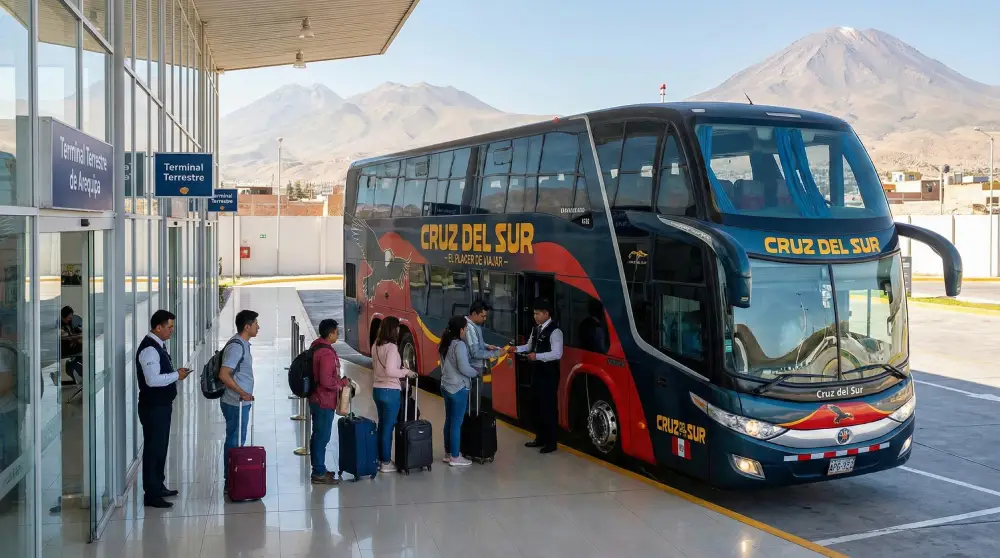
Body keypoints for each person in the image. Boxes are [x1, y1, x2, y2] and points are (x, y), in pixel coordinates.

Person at [136, 310, 191, 508]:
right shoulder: (150, 349)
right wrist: (177, 375)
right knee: (154, 449)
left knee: (160, 448)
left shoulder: (159, 345)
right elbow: (152, 380)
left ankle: (158, 486)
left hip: (161, 405)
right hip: (154, 407)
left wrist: (176, 374)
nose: (172, 330)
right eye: (169, 327)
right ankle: (151, 494)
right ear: (158, 327)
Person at [507, 298, 563, 454]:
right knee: (537, 406)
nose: (535, 316)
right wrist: (516, 349)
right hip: (536, 372)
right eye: (534, 313)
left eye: (538, 313)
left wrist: (537, 356)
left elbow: (557, 353)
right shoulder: (536, 329)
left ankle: (551, 442)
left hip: (549, 374)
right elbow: (529, 346)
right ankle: (539, 438)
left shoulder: (555, 331)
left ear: (546, 314)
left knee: (548, 407)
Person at [218, 309, 260, 493]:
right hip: (236, 403)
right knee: (234, 441)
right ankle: (230, 480)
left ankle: (234, 476)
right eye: (256, 323)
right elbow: (224, 374)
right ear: (247, 327)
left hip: (240, 402)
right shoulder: (236, 347)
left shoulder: (243, 344)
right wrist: (242, 392)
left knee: (237, 439)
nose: (258, 326)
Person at [370, 317, 416, 473]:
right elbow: (390, 371)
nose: (398, 331)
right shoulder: (391, 348)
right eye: (397, 328)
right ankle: (385, 461)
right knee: (388, 427)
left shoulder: (375, 346)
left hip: (377, 390)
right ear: (392, 329)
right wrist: (406, 372)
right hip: (390, 392)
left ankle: (378, 458)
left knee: (382, 425)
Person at [308, 318, 351, 485]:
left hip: (316, 397)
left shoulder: (316, 346)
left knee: (318, 435)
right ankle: (318, 472)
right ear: (330, 333)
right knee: (322, 436)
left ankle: (319, 467)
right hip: (323, 400)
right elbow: (326, 380)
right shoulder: (326, 353)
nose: (337, 335)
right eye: (336, 332)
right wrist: (341, 383)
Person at [439, 316, 479, 467]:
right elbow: (464, 368)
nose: (466, 331)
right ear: (461, 330)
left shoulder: (445, 342)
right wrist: (476, 373)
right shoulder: (459, 345)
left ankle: (448, 453)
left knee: (449, 420)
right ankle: (455, 457)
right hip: (458, 388)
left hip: (446, 386)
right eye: (465, 329)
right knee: (456, 423)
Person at [465, 300, 504, 376]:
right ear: (474, 314)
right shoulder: (469, 328)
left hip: (477, 366)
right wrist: (497, 353)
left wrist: (487, 346)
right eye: (483, 316)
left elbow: (477, 342)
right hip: (474, 367)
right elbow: (476, 353)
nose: (485, 319)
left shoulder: (475, 324)